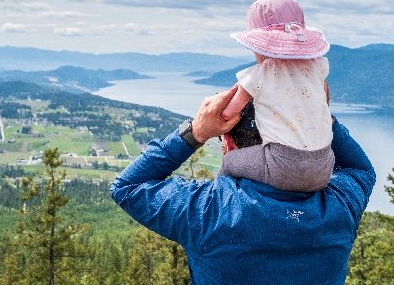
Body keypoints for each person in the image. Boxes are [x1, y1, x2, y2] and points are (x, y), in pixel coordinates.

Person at [110, 87, 376, 285]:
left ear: (228, 143)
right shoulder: (338, 207)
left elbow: (128, 186)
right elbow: (360, 169)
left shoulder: (207, 212)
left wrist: (197, 131)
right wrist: (320, 117)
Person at [222, 0, 334, 191]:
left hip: (282, 167)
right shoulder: (318, 66)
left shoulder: (258, 75)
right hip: (324, 167)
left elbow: (228, 113)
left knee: (229, 162)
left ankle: (224, 206)